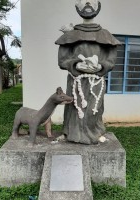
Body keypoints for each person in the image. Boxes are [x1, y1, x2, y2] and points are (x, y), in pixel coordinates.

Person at [55, 0, 120, 144]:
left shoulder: (105, 35)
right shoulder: (71, 35)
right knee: (73, 107)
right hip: (76, 80)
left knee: (94, 109)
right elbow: (63, 59)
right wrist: (76, 64)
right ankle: (70, 132)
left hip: (96, 81)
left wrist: (101, 66)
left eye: (91, 1)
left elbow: (111, 59)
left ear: (99, 6)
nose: (88, 3)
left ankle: (95, 132)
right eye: (83, 1)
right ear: (77, 7)